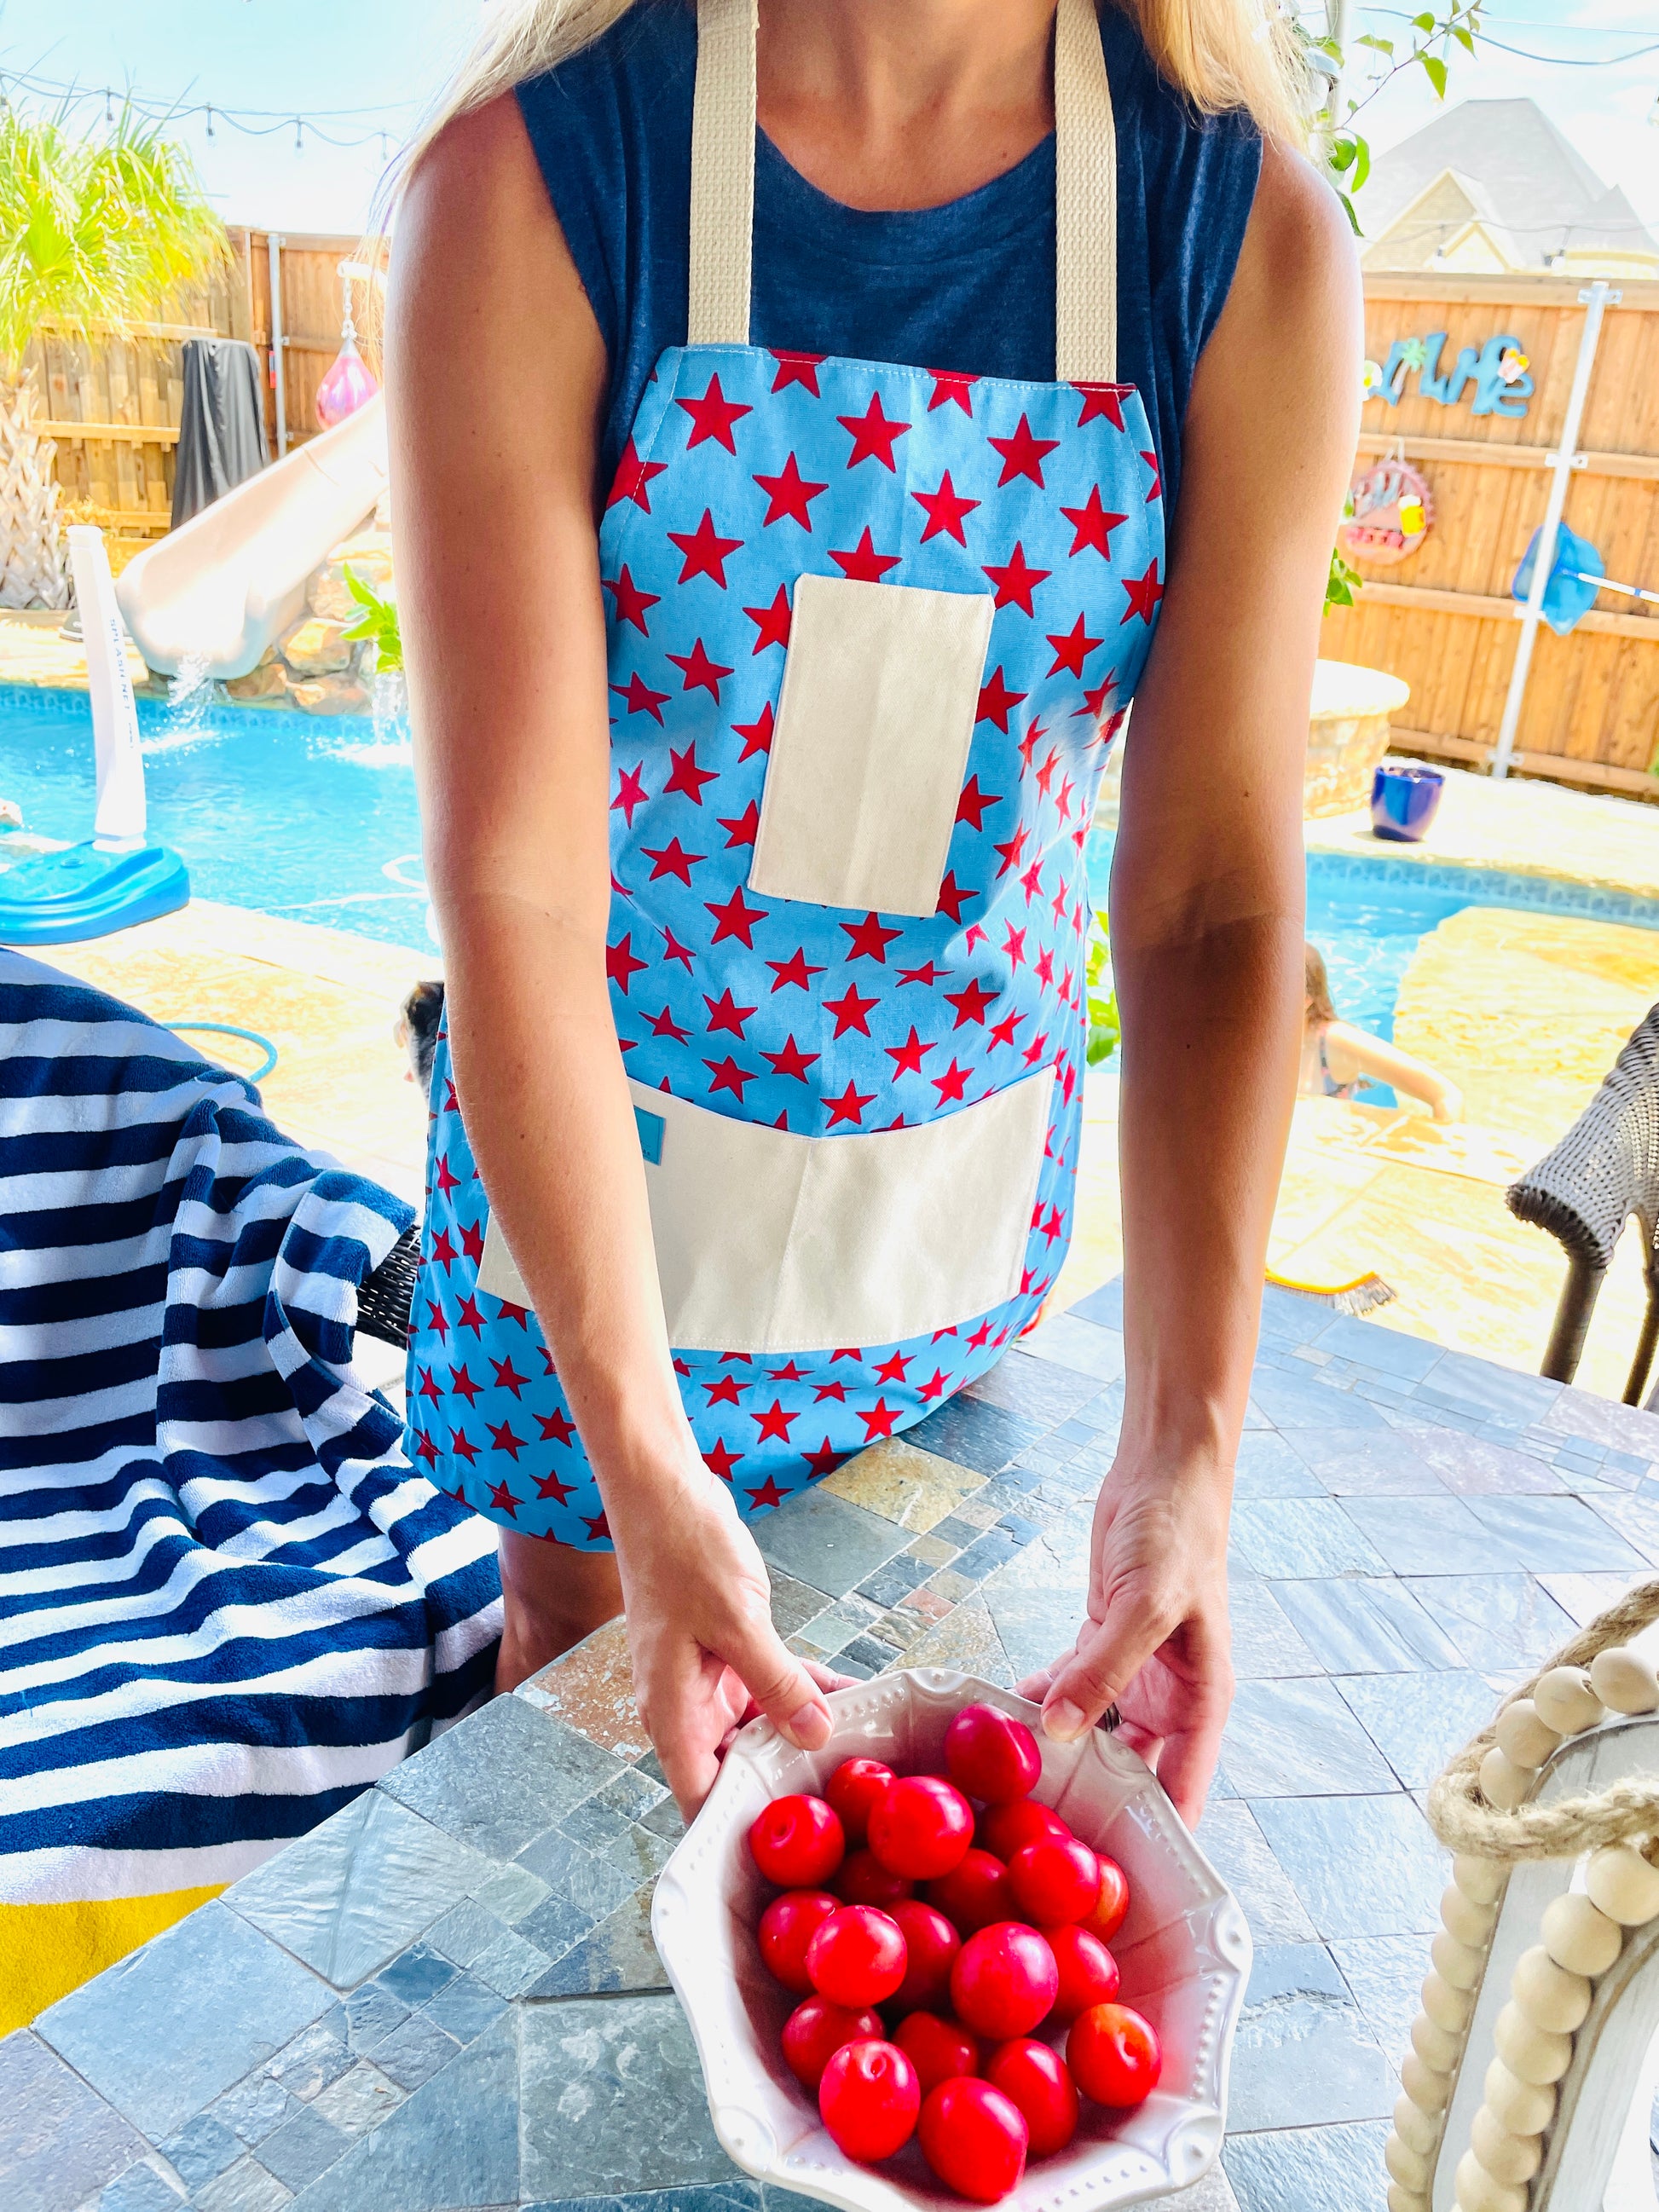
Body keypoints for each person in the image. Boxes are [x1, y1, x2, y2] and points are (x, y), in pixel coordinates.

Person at [386, 0, 1361, 1822]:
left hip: (943, 1255)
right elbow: (516, 891)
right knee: (588, 1798)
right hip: (596, 1278)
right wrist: (640, 1458)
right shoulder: (534, 194)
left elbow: (1214, 904)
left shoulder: (1235, 243)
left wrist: (1184, 1449)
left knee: (881, 1826)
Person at [1300, 942, 1464, 1121]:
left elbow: (1446, 1095)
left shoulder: (1334, 1041)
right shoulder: (1268, 1043)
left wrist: (1444, 1146)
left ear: (1306, 999)